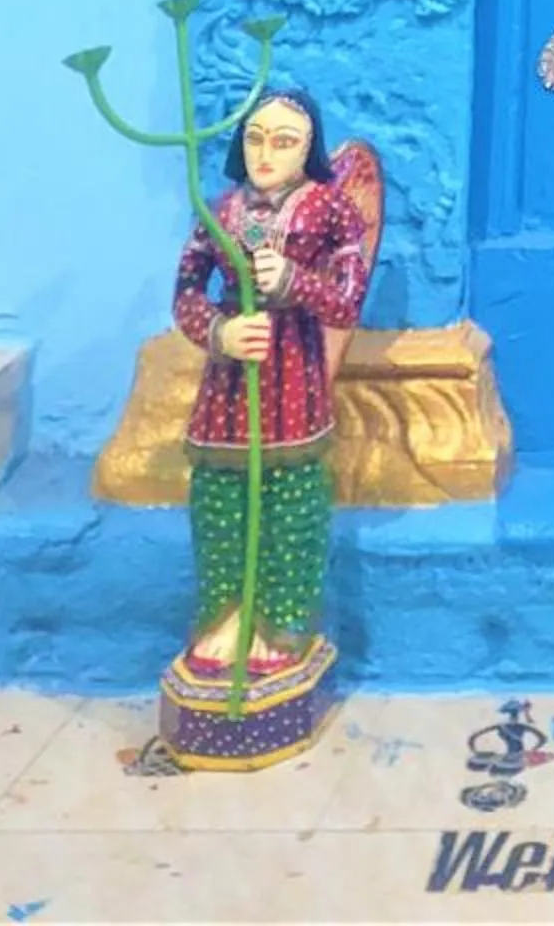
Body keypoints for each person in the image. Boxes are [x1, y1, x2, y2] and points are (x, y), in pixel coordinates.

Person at [171, 88, 371, 677]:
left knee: (291, 498)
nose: (266, 153)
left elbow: (346, 301)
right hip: (230, 379)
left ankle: (281, 620)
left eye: (284, 141)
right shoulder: (218, 211)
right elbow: (185, 291)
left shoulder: (331, 211)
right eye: (255, 138)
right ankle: (225, 613)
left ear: (309, 149)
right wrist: (218, 332)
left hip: (293, 376)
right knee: (219, 497)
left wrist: (294, 282)